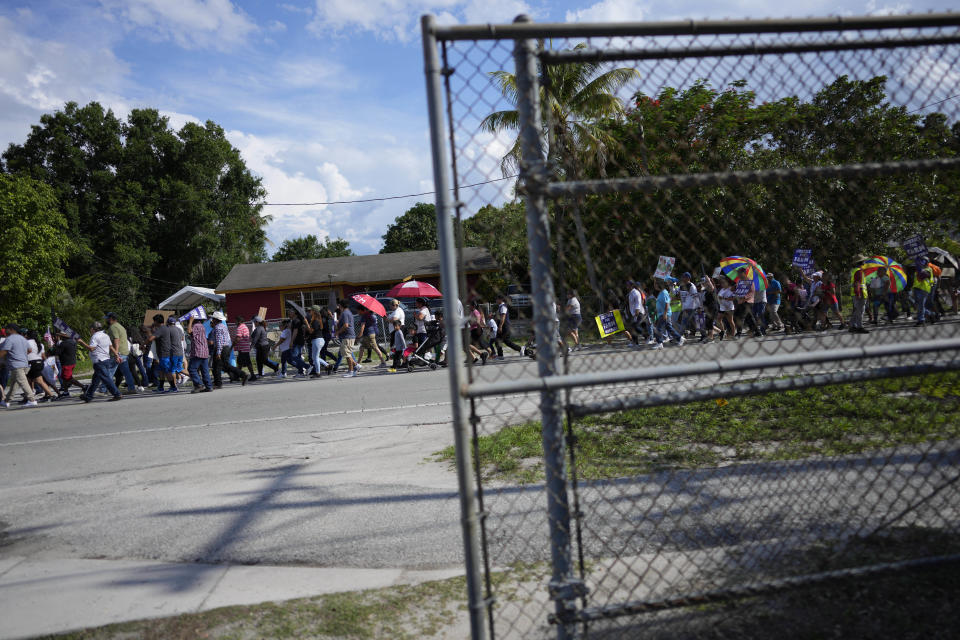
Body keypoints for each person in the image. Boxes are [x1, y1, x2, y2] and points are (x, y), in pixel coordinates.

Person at [78, 321, 123, 403]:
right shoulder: (105, 335)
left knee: (106, 379)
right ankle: (88, 396)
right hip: (105, 359)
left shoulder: (95, 336)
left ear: (92, 329)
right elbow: (110, 346)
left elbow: (92, 348)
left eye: (90, 329)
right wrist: (117, 355)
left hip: (99, 361)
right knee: (95, 380)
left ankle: (117, 394)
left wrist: (81, 342)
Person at [0, 324, 38, 408]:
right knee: (14, 384)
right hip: (24, 363)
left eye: (6, 329)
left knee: (23, 382)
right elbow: (29, 350)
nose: (5, 331)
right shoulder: (23, 338)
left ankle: (32, 400)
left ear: (11, 330)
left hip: (16, 365)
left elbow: (4, 351)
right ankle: (6, 401)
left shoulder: (9, 339)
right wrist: (21, 355)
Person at [105, 312, 141, 393]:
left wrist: (116, 353)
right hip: (124, 352)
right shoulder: (120, 326)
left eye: (107, 318)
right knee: (127, 372)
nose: (106, 320)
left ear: (110, 319)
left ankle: (103, 390)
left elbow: (116, 340)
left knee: (109, 371)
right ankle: (131, 388)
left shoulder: (113, 327)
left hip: (118, 353)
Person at [210, 311, 248, 387]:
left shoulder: (218, 327)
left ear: (215, 319)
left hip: (221, 348)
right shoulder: (223, 326)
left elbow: (219, 340)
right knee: (225, 366)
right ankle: (242, 374)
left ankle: (218, 383)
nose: (212, 320)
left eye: (213, 318)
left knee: (217, 366)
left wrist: (218, 352)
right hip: (226, 347)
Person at [651, 279, 684, 349]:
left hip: (664, 314)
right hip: (661, 314)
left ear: (659, 285)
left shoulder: (664, 292)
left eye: (656, 284)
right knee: (669, 328)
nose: (655, 286)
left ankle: (659, 343)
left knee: (658, 328)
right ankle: (680, 338)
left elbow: (667, 303)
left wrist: (665, 314)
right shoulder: (661, 292)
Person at [51, 332, 84, 397]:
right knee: (64, 377)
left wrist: (52, 347)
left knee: (68, 378)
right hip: (72, 362)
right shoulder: (73, 342)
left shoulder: (63, 344)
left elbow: (57, 352)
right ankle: (66, 391)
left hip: (67, 363)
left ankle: (84, 386)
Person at [336, 299, 360, 378]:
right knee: (346, 353)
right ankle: (356, 366)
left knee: (347, 354)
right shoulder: (347, 312)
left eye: (339, 305)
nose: (338, 306)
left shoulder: (345, 313)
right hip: (347, 336)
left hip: (348, 336)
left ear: (341, 305)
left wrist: (338, 332)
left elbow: (346, 325)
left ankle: (351, 371)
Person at [849, 255, 870, 333]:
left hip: (855, 293)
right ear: (861, 262)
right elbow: (857, 283)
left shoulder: (854, 270)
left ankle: (852, 325)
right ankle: (859, 327)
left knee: (857, 310)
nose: (864, 262)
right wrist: (858, 294)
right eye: (864, 261)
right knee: (860, 311)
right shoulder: (859, 271)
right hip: (860, 293)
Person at [233, 315, 257, 381]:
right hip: (245, 347)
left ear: (239, 321)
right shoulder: (245, 327)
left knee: (247, 362)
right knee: (240, 363)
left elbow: (238, 337)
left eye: (236, 321)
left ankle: (252, 375)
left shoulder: (240, 327)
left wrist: (233, 345)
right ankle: (237, 376)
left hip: (242, 348)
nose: (235, 322)